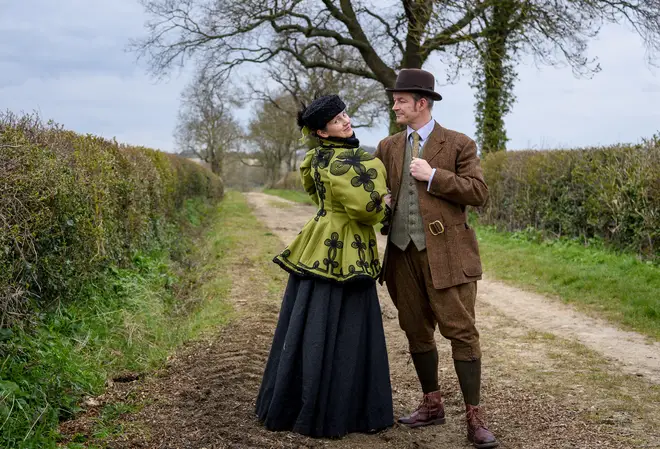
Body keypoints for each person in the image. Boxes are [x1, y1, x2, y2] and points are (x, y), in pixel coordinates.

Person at [255, 94, 393, 438]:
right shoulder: (354, 162)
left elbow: (316, 196)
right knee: (346, 324)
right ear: (324, 132)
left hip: (317, 240)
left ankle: (294, 401)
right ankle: (339, 410)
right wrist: (386, 205)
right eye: (336, 120)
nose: (346, 121)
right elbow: (367, 210)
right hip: (347, 248)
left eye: (345, 114)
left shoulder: (315, 159)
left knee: (307, 321)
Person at [374, 69, 499, 449]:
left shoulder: (459, 143)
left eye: (401, 100)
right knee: (414, 329)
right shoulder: (388, 146)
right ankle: (432, 405)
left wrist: (434, 176)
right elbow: (378, 188)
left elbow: (478, 192)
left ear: (421, 103)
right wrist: (381, 202)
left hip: (448, 255)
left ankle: (474, 418)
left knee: (461, 332)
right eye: (394, 100)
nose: (395, 105)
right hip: (401, 255)